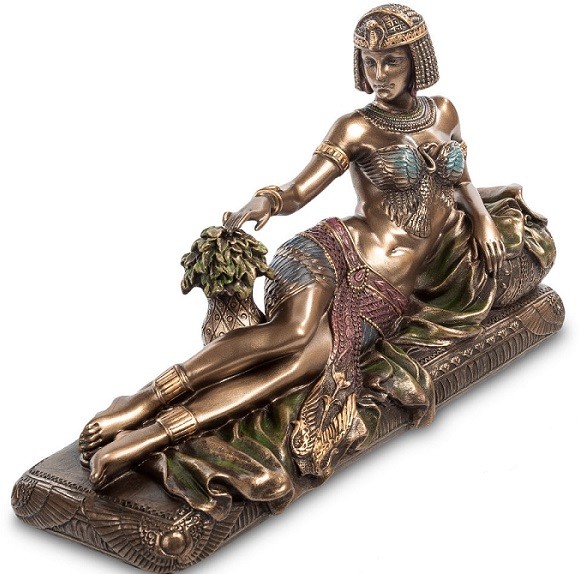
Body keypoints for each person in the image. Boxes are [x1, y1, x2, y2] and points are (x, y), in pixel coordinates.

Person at [79, 4, 505, 490]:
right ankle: (141, 402)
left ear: (417, 60)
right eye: (369, 62)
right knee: (291, 333)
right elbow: (300, 189)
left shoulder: (445, 111)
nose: (379, 74)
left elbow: (461, 178)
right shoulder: (355, 127)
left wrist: (483, 219)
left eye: (392, 61)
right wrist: (268, 200)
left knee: (295, 371)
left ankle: (151, 438)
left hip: (385, 290)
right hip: (335, 250)